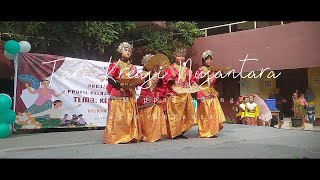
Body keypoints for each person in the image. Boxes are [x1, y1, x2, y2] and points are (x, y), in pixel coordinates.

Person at [104, 42, 141, 144]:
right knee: (118, 117)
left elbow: (134, 80)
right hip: (117, 94)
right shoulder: (115, 64)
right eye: (125, 50)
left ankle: (128, 136)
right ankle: (116, 137)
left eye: (129, 51)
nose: (128, 52)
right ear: (120, 52)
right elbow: (110, 78)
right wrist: (120, 85)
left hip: (128, 94)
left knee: (127, 117)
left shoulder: (133, 67)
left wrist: (133, 84)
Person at [162, 47, 197, 139]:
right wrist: (172, 81)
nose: (181, 58)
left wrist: (193, 83)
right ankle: (173, 133)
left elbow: (192, 79)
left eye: (182, 56)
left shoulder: (187, 69)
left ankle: (181, 131)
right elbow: (166, 78)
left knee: (184, 114)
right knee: (175, 115)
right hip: (174, 94)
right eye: (179, 56)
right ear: (174, 57)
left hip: (185, 94)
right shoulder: (170, 68)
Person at [195, 50, 225, 138]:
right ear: (203, 60)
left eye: (210, 59)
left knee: (214, 113)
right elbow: (198, 81)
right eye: (207, 59)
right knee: (205, 113)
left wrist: (219, 74)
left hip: (212, 93)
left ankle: (212, 131)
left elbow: (215, 82)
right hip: (203, 92)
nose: (209, 61)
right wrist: (206, 75)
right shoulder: (199, 71)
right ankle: (205, 131)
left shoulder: (213, 71)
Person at [137, 54, 166, 142]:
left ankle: (155, 135)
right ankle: (146, 135)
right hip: (145, 98)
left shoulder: (156, 74)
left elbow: (160, 84)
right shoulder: (142, 74)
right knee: (146, 119)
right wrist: (149, 74)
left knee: (155, 118)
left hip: (155, 98)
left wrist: (160, 74)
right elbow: (141, 83)